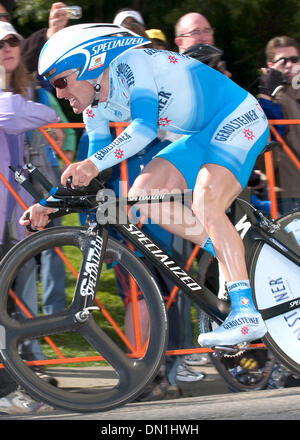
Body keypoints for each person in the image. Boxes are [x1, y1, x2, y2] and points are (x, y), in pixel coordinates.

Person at [20, 23, 269, 350]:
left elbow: (143, 128)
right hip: (199, 136)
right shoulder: (95, 108)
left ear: (88, 65)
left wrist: (92, 164)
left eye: (61, 82)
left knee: (205, 204)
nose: (61, 94)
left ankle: (245, 311)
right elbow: (93, 170)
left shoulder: (132, 64)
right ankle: (231, 256)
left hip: (237, 118)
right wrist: (49, 204)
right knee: (144, 198)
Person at [0, 21, 58, 414]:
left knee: (12, 306)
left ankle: (17, 384)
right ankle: (11, 389)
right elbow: (40, 116)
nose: (5, 47)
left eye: (11, 41)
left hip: (12, 219)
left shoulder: (15, 94)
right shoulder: (7, 101)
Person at [258, 35, 300, 214]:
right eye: (282, 61)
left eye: (294, 59)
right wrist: (266, 94)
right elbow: (262, 135)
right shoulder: (271, 97)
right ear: (270, 66)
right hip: (287, 192)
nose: (289, 65)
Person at [175, 12, 231, 78]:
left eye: (207, 31)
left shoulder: (221, 76)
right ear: (179, 42)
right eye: (195, 32)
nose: (204, 38)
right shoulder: (170, 75)